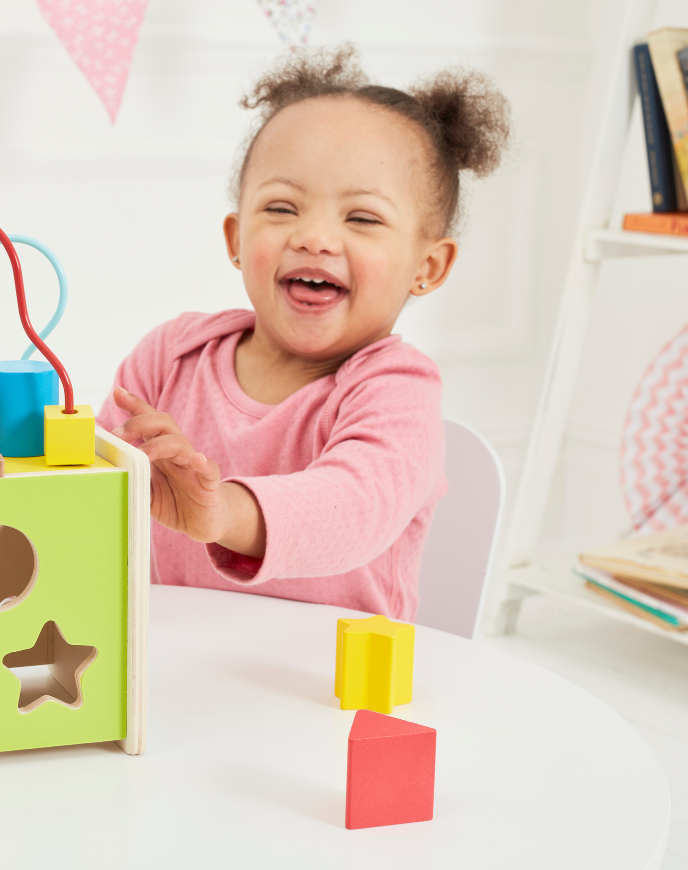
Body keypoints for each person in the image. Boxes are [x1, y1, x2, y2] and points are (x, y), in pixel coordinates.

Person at [96, 45, 510, 620]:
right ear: (236, 240)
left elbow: (356, 505)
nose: (314, 237)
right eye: (283, 208)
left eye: (361, 218)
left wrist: (224, 513)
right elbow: (93, 494)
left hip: (333, 689)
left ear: (428, 266)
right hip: (171, 667)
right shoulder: (170, 357)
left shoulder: (397, 389)